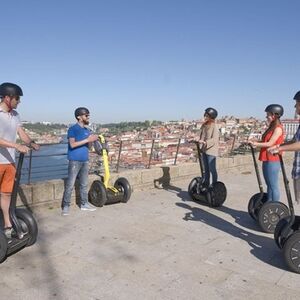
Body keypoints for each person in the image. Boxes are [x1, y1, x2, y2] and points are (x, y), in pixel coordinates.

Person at [0, 82, 40, 238]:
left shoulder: (15, 115)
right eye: (17, 98)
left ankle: (8, 225)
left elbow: (21, 132)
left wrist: (31, 143)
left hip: (9, 162)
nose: (19, 101)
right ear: (8, 98)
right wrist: (16, 146)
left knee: (6, 194)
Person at [61, 107, 99, 215]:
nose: (88, 117)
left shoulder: (87, 130)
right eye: (86, 115)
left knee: (84, 184)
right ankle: (66, 206)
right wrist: (88, 139)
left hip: (85, 160)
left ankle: (84, 204)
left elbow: (89, 146)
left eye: (88, 115)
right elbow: (72, 144)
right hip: (74, 161)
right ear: (79, 117)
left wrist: (92, 141)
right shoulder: (72, 129)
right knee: (70, 184)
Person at [268, 91, 300, 204]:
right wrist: (279, 145)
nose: (295, 106)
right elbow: (294, 140)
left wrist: (280, 149)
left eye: (297, 103)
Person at [248, 104, 284, 203]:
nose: (266, 117)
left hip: (273, 159)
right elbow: (265, 140)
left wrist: (256, 144)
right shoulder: (271, 127)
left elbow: (270, 143)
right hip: (266, 158)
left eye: (268, 114)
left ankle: (274, 205)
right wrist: (255, 141)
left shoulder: (278, 128)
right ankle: (269, 203)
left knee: (273, 185)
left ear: (274, 115)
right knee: (269, 184)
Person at [195, 107, 220, 186]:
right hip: (204, 150)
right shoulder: (204, 125)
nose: (205, 116)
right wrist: (195, 138)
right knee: (206, 169)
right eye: (205, 115)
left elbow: (215, 139)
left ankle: (214, 185)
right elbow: (200, 134)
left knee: (212, 169)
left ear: (211, 116)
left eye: (206, 115)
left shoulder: (214, 126)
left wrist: (205, 142)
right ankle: (206, 184)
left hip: (211, 151)